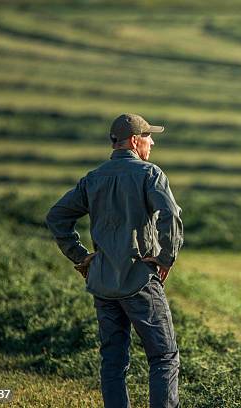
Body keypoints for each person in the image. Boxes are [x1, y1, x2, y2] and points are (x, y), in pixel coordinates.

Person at [45, 113, 183, 408]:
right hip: (139, 280)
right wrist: (165, 258)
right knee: (164, 357)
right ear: (135, 140)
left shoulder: (93, 179)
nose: (153, 141)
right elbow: (171, 216)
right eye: (148, 136)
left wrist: (82, 258)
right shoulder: (150, 174)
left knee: (113, 363)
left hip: (103, 283)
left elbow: (56, 217)